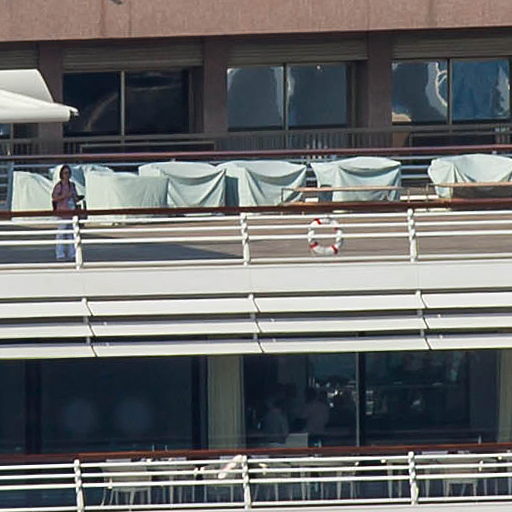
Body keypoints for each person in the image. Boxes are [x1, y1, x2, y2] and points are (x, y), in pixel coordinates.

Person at [51, 165, 79, 262]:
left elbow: (75, 196)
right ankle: (60, 254)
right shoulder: (59, 186)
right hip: (62, 212)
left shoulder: (72, 185)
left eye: (68, 173)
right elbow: (54, 198)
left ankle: (72, 253)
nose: (67, 175)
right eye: (65, 173)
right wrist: (65, 196)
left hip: (71, 211)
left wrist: (76, 198)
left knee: (71, 234)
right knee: (61, 234)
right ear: (61, 174)